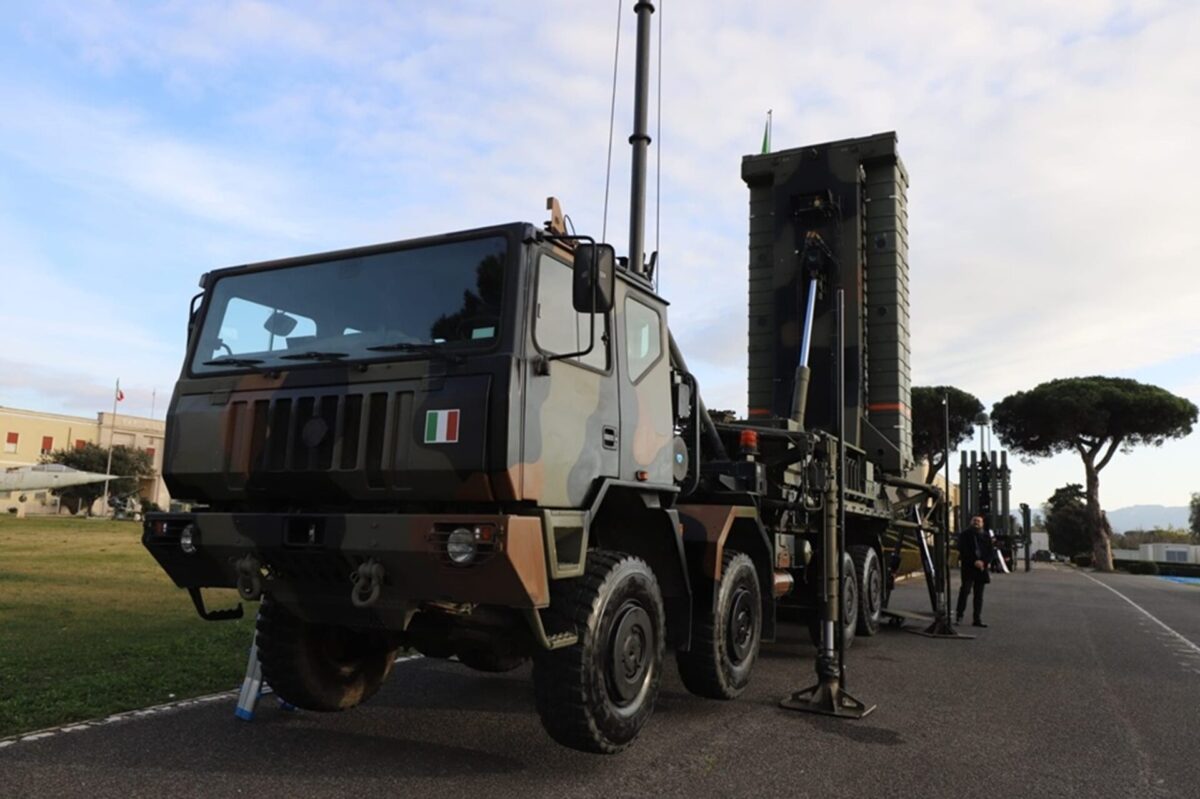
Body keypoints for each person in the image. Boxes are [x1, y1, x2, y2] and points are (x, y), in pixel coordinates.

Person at [956, 515, 994, 627]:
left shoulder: (986, 536)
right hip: (968, 567)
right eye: (974, 521)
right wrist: (974, 561)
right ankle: (959, 616)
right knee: (965, 591)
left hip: (981, 569)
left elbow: (990, 552)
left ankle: (977, 619)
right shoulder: (964, 535)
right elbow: (962, 550)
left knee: (979, 595)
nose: (976, 522)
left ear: (982, 523)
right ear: (971, 522)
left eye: (979, 521)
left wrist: (984, 562)